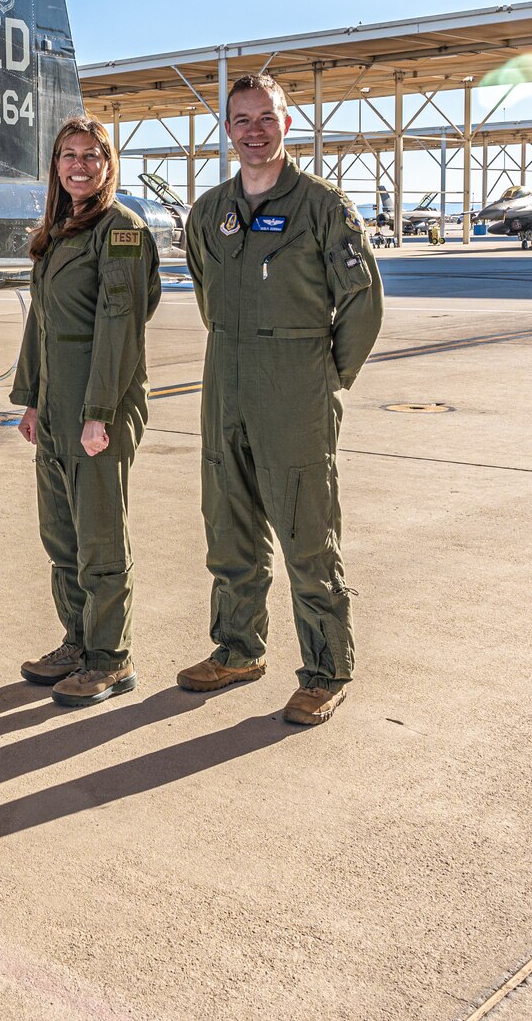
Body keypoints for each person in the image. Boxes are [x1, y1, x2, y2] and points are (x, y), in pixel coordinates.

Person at [178, 73, 383, 725]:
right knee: (228, 519)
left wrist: (325, 379)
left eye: (266, 117)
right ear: (228, 129)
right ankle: (237, 647)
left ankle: (326, 667)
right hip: (226, 375)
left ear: (287, 124)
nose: (255, 130)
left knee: (305, 529)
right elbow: (206, 286)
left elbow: (362, 302)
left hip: (294, 382)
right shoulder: (211, 210)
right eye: (242, 119)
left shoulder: (323, 205)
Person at [12, 115, 161, 707]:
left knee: (100, 535)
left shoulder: (119, 231)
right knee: (62, 535)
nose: (78, 165)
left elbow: (119, 328)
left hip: (98, 404)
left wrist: (98, 412)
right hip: (55, 405)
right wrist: (29, 400)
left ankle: (109, 657)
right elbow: (40, 322)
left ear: (108, 164)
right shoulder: (59, 231)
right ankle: (77, 640)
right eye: (68, 155)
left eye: (91, 155)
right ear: (56, 165)